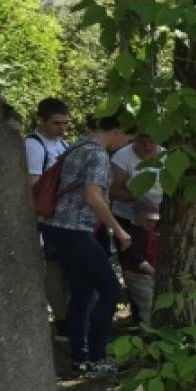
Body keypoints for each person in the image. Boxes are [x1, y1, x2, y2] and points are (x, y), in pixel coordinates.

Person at [37, 114, 133, 374]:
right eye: (127, 138)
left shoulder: (77, 146)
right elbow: (93, 196)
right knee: (110, 290)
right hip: (75, 229)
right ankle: (97, 357)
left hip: (56, 227)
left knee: (83, 291)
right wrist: (119, 230)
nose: (125, 144)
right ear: (116, 130)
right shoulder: (98, 155)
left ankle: (81, 357)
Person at [26, 97, 73, 338]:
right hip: (47, 218)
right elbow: (34, 186)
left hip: (64, 217)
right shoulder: (34, 146)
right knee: (53, 270)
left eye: (65, 123)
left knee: (65, 269)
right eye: (57, 123)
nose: (62, 128)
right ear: (42, 121)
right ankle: (62, 320)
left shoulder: (63, 144)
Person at [109, 133, 164, 234]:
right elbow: (111, 192)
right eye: (142, 142)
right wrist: (139, 198)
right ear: (135, 138)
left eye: (152, 142)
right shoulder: (122, 157)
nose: (147, 147)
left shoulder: (167, 157)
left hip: (161, 221)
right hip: (127, 220)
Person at [120, 196, 161, 325]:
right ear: (138, 217)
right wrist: (154, 272)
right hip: (137, 274)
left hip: (149, 273)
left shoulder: (152, 231)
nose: (151, 224)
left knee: (154, 301)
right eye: (148, 220)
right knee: (147, 304)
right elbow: (137, 258)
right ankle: (147, 331)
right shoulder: (133, 234)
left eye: (154, 221)